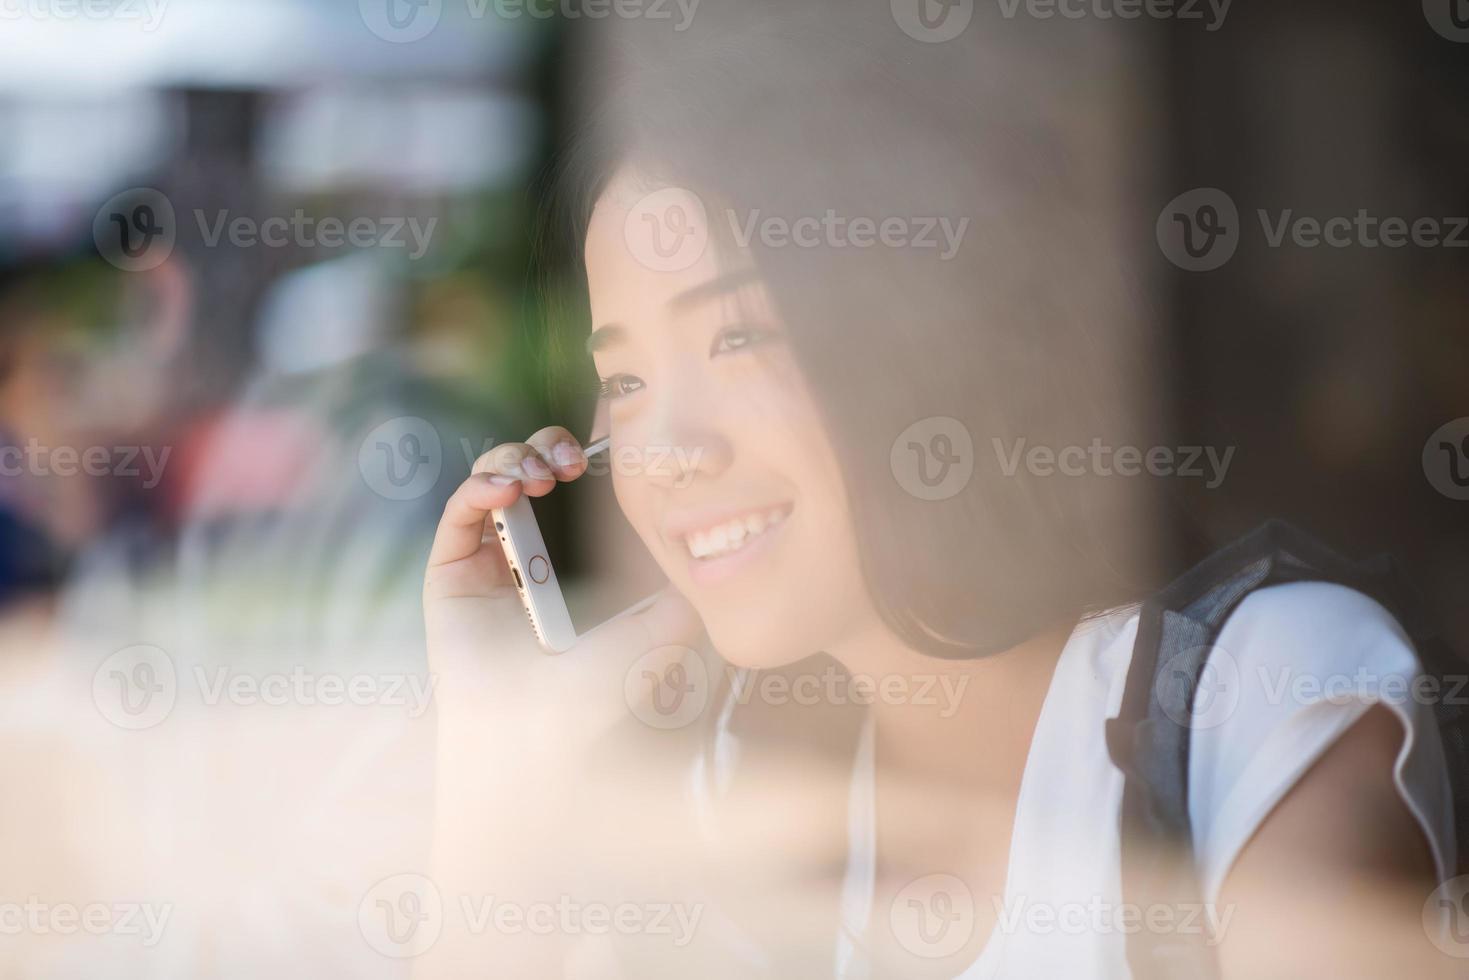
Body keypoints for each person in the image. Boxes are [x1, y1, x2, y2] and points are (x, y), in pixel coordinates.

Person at [422, 7, 1457, 978]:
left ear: (929, 343)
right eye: (626, 379)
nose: (669, 448)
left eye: (740, 335)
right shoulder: (723, 782)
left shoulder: (1255, 699)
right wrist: (491, 762)